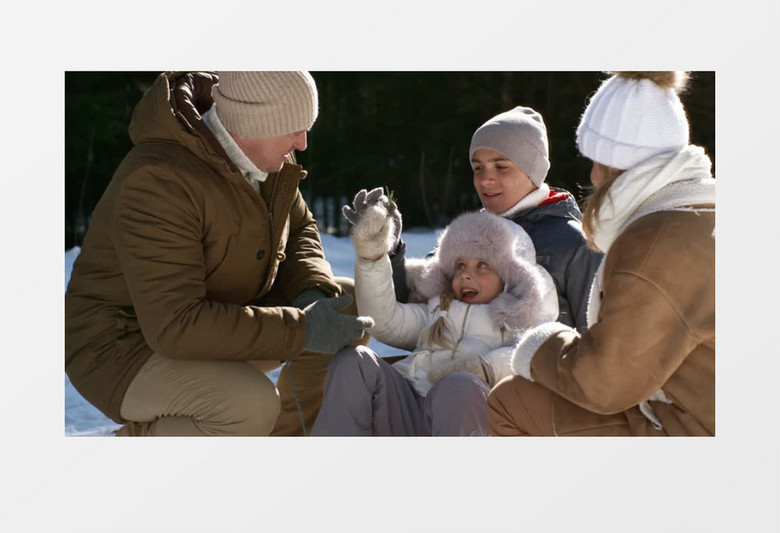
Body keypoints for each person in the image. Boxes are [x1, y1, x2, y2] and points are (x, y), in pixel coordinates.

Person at [65, 71, 373, 436]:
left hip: (210, 318)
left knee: (346, 303)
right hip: (122, 347)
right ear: (253, 122)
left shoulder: (268, 161)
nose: (303, 143)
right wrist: (302, 330)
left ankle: (281, 441)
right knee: (248, 405)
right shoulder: (160, 180)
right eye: (293, 128)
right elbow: (174, 325)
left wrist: (312, 291)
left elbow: (300, 231)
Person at [487, 71, 715, 436]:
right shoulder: (701, 215)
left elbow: (604, 384)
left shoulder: (654, 245)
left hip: (687, 427)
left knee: (512, 400)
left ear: (621, 165)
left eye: (598, 163)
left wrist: (539, 345)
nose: (592, 177)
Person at [311, 205, 559, 436]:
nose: (466, 275)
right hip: (407, 409)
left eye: (482, 265)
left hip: (468, 416)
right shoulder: (437, 309)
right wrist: (372, 259)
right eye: (460, 265)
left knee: (458, 386)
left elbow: (540, 356)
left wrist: (485, 367)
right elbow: (385, 320)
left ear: (510, 277)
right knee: (354, 362)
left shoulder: (518, 321)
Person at [379, 105, 602, 333]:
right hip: (445, 363)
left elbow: (596, 338)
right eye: (478, 168)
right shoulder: (468, 234)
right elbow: (414, 309)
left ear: (532, 171)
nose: (485, 180)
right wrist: (390, 252)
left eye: (501, 167)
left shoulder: (574, 243)